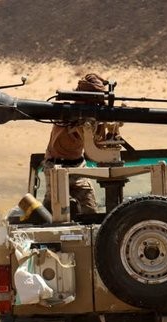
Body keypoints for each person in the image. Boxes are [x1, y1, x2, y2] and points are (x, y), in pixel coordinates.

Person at [42, 73, 109, 215]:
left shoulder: (94, 117)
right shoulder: (66, 114)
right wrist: (86, 123)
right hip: (55, 166)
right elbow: (74, 133)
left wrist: (104, 125)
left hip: (79, 167)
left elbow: (99, 145)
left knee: (90, 210)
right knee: (53, 211)